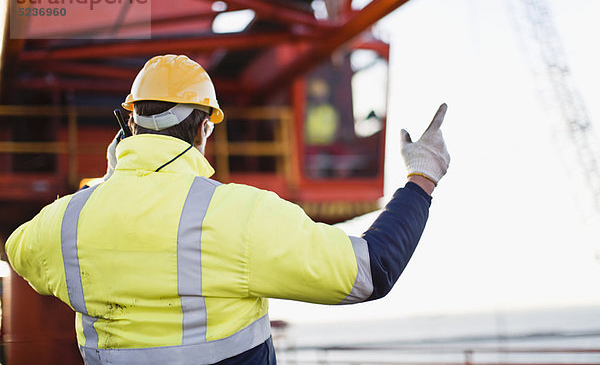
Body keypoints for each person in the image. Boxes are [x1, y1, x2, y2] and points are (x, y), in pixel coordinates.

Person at [4, 54, 450, 365]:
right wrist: (421, 176)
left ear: (129, 126)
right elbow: (374, 270)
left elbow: (18, 248)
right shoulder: (240, 214)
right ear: (203, 129)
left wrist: (107, 184)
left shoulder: (66, 222)